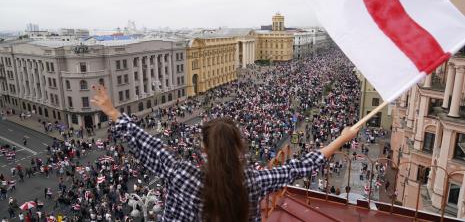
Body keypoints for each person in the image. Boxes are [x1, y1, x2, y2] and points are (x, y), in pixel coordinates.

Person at [91, 84, 359, 221]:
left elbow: (147, 145)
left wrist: (113, 112)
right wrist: (342, 138)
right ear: (238, 147)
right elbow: (300, 166)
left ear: (204, 147)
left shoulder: (181, 174)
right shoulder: (253, 181)